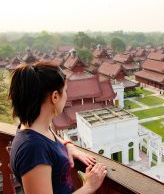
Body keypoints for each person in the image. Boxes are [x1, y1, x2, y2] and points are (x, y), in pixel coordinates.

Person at [9, 62, 107, 194]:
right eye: (65, 91)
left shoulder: (36, 126)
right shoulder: (32, 149)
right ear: (55, 96)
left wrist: (68, 145)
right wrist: (89, 187)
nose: (66, 96)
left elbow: (51, 141)